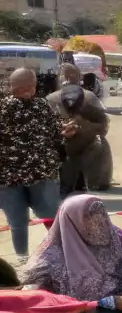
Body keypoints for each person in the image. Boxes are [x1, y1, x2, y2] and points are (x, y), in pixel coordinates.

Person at [0, 67, 63, 262]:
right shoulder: (9, 108)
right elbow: (55, 134)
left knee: (37, 221)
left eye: (30, 86)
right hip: (23, 176)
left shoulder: (39, 106)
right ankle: (35, 259)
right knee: (34, 221)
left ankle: (43, 258)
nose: (28, 90)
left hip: (25, 175)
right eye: (24, 87)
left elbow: (54, 132)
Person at [47, 63, 113, 193]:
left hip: (68, 146)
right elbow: (103, 126)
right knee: (100, 143)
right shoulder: (89, 96)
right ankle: (96, 182)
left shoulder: (51, 98)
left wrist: (74, 128)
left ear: (63, 77)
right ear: (77, 77)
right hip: (77, 146)